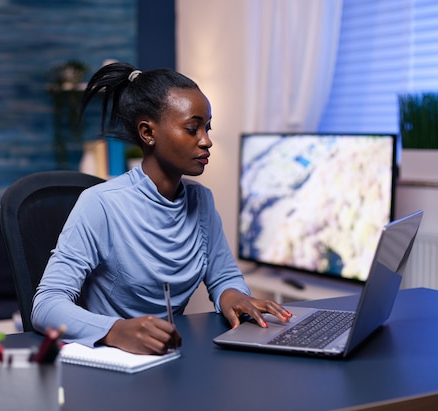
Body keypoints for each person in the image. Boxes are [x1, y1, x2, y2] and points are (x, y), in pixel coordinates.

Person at [31, 62, 292, 355]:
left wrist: (233, 296)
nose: (206, 141)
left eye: (207, 128)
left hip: (173, 358)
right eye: (192, 129)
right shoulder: (100, 204)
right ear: (147, 132)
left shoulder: (201, 201)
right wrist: (115, 329)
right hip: (116, 364)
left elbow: (224, 278)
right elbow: (46, 305)